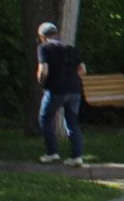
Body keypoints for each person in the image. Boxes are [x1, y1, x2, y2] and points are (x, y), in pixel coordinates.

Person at [35, 22, 86, 167]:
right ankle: (77, 156)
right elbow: (83, 69)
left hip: (56, 90)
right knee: (72, 122)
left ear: (42, 36)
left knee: (45, 119)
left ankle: (52, 153)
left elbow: (43, 70)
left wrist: (41, 80)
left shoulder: (44, 48)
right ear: (56, 34)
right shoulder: (71, 48)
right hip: (75, 90)